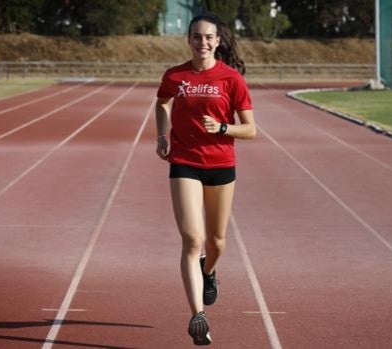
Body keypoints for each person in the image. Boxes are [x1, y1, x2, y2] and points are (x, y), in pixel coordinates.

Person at [155, 13, 256, 346]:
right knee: (192, 239)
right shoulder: (175, 75)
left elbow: (251, 130)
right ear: (189, 39)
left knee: (216, 242)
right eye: (196, 37)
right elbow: (162, 103)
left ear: (218, 41)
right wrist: (162, 135)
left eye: (208, 37)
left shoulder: (231, 79)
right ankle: (198, 315)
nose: (202, 42)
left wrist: (224, 128)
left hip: (221, 164)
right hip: (184, 161)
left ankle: (209, 271)